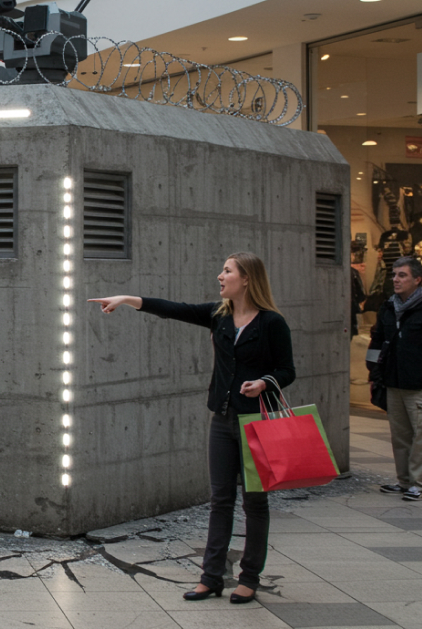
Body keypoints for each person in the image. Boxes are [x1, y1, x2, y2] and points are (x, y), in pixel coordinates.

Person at [89, 252, 295, 605]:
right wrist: (126, 299)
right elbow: (173, 309)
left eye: (227, 271)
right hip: (222, 420)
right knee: (220, 501)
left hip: (256, 423)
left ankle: (249, 578)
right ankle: (211, 578)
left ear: (247, 279)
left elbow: (287, 370)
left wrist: (264, 382)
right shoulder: (219, 315)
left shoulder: (272, 323)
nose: (220, 276)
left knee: (255, 503)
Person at [367, 256, 422, 501]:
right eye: (394, 275)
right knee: (400, 436)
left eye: (402, 275)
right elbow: (377, 340)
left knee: (420, 436)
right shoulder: (388, 307)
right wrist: (374, 373)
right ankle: (404, 481)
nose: (395, 279)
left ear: (417, 279)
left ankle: (418, 483)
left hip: (417, 385)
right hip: (392, 381)